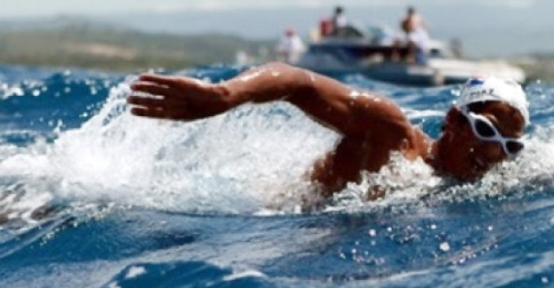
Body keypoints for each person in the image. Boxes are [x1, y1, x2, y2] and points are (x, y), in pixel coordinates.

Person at [127, 63, 529, 196]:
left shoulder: (477, 184)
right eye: (484, 130)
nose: (494, 154)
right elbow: (298, 81)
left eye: (510, 147)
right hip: (255, 222)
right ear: (452, 120)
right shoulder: (389, 135)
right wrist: (226, 95)